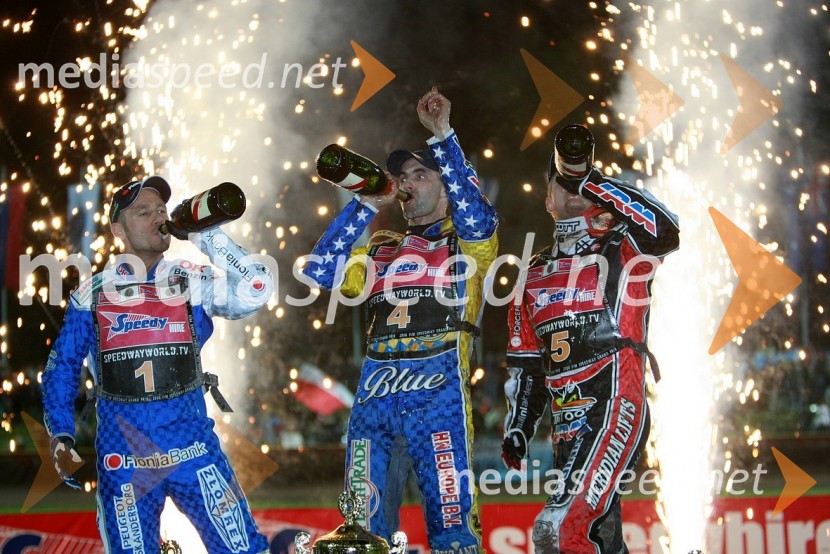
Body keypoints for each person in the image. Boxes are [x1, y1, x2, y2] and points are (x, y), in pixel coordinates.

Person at [303, 87, 498, 553]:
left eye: (419, 174)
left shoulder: (470, 243)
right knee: (361, 532)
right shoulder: (381, 245)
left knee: (453, 532)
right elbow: (323, 270)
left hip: (439, 398)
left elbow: (477, 214)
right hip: (375, 397)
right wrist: (365, 203)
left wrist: (443, 136)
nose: (406, 183)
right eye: (400, 176)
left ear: (447, 184)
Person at [42, 176, 273, 553]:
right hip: (124, 458)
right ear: (118, 229)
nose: (158, 218)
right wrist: (61, 437)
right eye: (143, 212)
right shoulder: (92, 293)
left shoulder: (190, 278)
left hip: (194, 449)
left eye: (161, 211)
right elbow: (61, 370)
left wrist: (204, 235)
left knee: (246, 549)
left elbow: (257, 289)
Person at [502, 125, 680, 553]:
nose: (571, 189)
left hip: (617, 399)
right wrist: (519, 427)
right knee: (600, 536)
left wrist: (593, 180)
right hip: (567, 424)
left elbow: (667, 231)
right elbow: (526, 364)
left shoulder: (622, 245)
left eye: (576, 182)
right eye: (560, 185)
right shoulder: (531, 275)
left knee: (558, 528)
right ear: (548, 201)